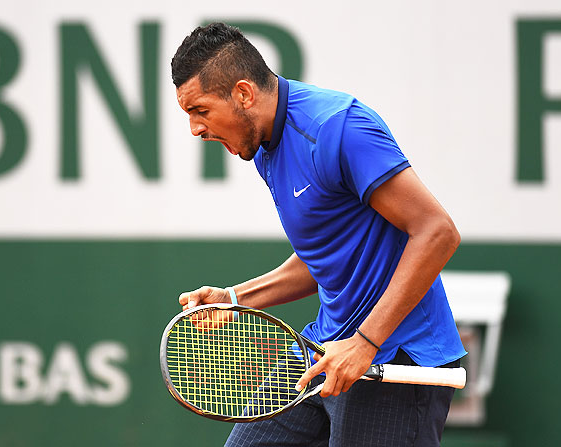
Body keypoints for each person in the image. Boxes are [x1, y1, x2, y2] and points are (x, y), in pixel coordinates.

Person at [172, 22, 466, 447]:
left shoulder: (337, 127)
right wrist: (236, 298)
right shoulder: (264, 146)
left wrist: (365, 342)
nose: (196, 129)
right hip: (326, 349)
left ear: (243, 94)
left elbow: (437, 232)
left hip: (395, 356)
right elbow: (325, 255)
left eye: (200, 110)